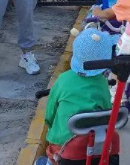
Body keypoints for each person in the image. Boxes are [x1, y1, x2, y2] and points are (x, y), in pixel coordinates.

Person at [43, 28, 113, 164]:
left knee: (51, 155)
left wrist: (50, 125)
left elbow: (50, 112)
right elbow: (107, 110)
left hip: (63, 147)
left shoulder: (63, 79)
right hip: (93, 145)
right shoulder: (102, 83)